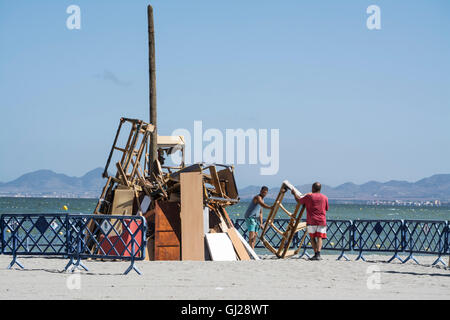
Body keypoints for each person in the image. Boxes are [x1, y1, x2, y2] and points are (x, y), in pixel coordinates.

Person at [292, 182, 329, 261]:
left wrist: (294, 194)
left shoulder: (309, 196)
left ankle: (315, 254)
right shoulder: (325, 197)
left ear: (313, 188)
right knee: (320, 237)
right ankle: (318, 254)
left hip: (311, 220)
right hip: (321, 220)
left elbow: (299, 201)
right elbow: (326, 208)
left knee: (312, 238)